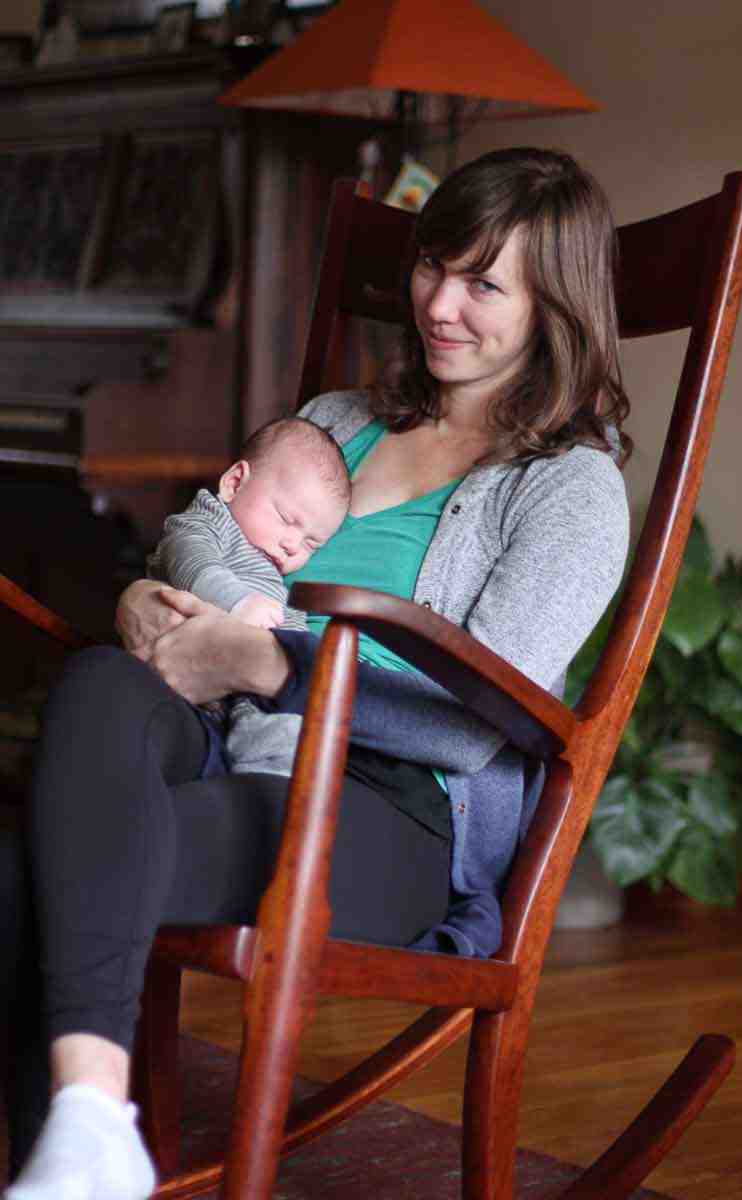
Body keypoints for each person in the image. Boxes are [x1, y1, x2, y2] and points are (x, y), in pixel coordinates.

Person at [2, 146, 631, 1200]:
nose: (440, 303)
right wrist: (143, 599)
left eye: (485, 284)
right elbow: (210, 526)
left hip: (379, 808)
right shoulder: (341, 421)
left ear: (553, 310)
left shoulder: (567, 492)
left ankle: (77, 1142)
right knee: (102, 685)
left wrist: (261, 656)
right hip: (213, 736)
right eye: (436, 264)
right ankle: (91, 1125)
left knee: (29, 877)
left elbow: (474, 723)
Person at [148, 416, 350, 776]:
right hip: (177, 669)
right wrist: (238, 602)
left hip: (241, 688)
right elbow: (190, 561)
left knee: (284, 731)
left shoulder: (271, 571)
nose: (292, 545)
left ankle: (270, 788)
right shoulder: (208, 522)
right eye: (287, 519)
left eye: (311, 543)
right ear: (235, 483)